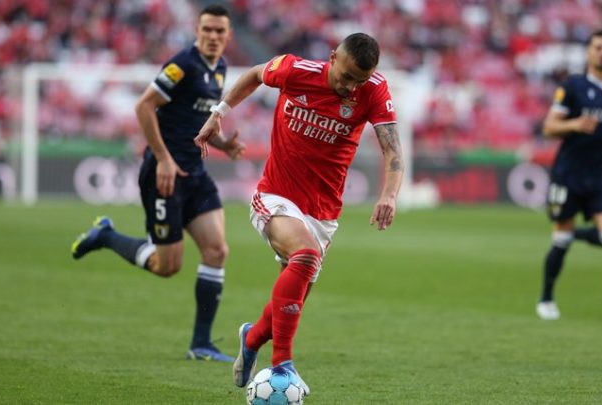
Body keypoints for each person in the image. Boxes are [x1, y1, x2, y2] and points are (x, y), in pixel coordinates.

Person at [194, 33, 403, 394]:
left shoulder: (373, 90)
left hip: (322, 212)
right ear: (332, 56)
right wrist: (218, 114)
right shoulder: (295, 70)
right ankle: (283, 367)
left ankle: (252, 338)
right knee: (304, 258)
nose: (351, 87)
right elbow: (254, 75)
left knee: (288, 306)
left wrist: (389, 195)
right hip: (276, 195)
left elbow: (392, 148)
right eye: (346, 76)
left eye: (359, 81)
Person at [71, 4, 245, 361]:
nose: (213, 36)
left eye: (220, 31)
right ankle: (106, 235)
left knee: (217, 251)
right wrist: (164, 158)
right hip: (163, 175)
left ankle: (201, 344)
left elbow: (195, 120)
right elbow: (144, 107)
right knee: (167, 267)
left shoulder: (221, 69)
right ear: (197, 30)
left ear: (228, 36)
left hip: (195, 174)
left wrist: (223, 143)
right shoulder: (182, 65)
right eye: (207, 30)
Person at [537, 29, 602, 320]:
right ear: (589, 53)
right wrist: (575, 124)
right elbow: (549, 127)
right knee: (560, 244)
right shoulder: (574, 86)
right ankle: (546, 299)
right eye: (598, 47)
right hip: (569, 174)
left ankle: (571, 233)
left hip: (600, 177)